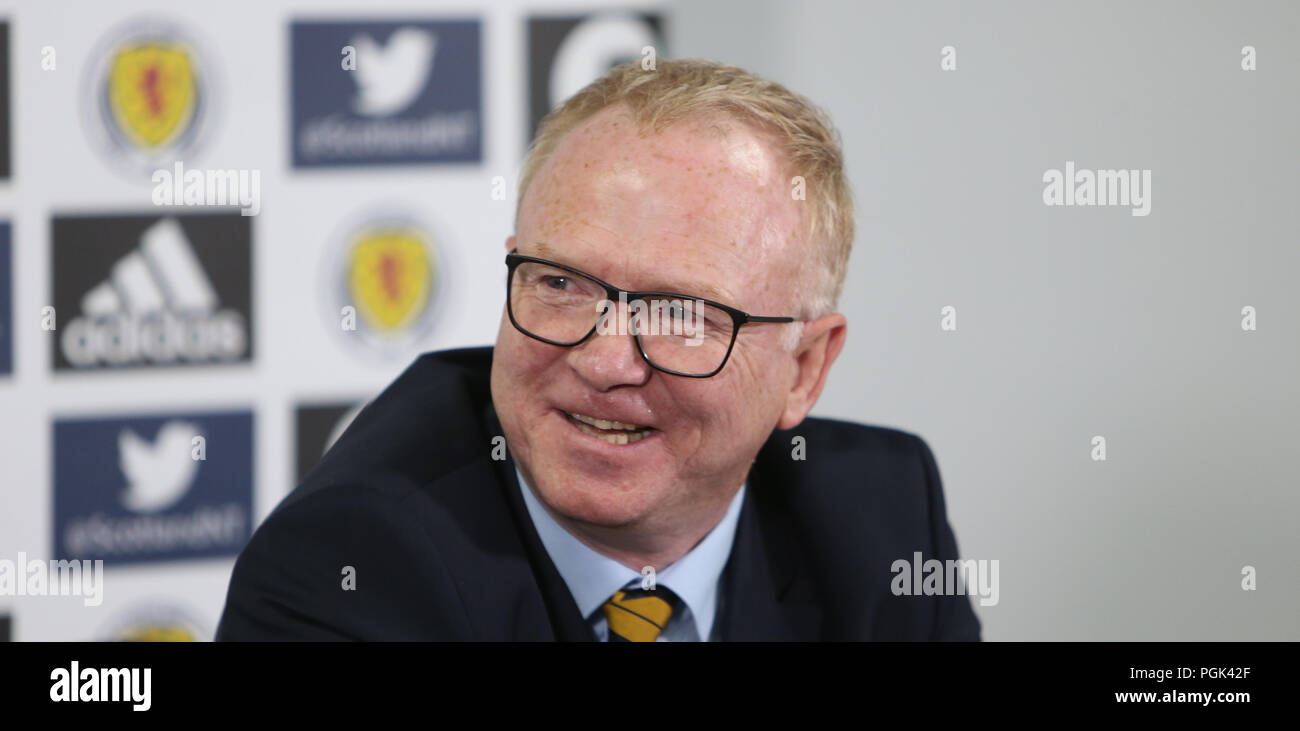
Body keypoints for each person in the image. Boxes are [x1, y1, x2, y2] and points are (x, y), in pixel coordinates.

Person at [217, 59, 980, 641]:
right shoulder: (352, 564)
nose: (606, 362)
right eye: (562, 283)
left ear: (804, 370)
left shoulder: (884, 519)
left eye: (683, 314)